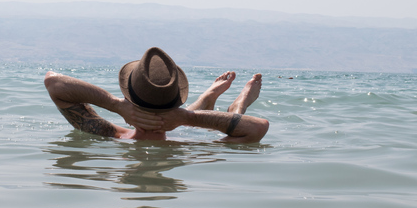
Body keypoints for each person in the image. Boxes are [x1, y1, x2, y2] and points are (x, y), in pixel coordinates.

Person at [44, 47, 269, 143]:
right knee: (204, 123)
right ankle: (232, 105)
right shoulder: (189, 150)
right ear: (175, 103)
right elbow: (257, 128)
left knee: (191, 122)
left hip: (173, 120)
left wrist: (115, 105)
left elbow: (53, 82)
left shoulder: (110, 136)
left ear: (129, 96)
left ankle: (211, 100)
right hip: (180, 125)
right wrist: (187, 118)